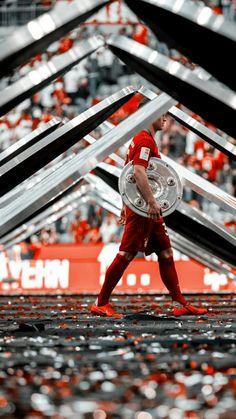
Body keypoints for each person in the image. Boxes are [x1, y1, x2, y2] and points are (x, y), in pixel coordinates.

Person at [90, 114, 208, 318]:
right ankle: (101, 302)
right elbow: (137, 172)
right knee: (126, 254)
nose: (165, 119)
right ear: (150, 115)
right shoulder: (144, 140)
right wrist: (151, 202)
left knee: (166, 253)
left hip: (146, 207)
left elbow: (126, 174)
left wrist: (124, 203)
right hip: (146, 208)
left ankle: (179, 303)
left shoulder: (141, 138)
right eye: (162, 115)